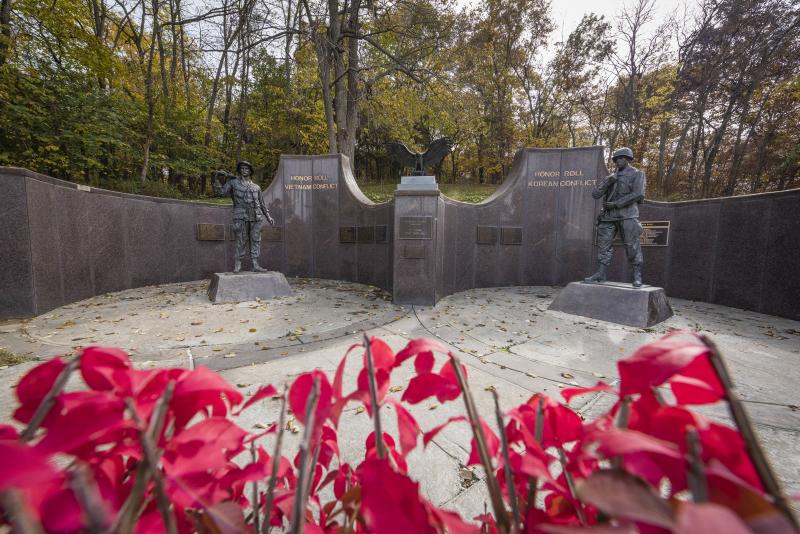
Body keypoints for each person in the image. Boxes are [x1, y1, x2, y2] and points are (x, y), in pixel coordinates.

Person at [584, 147, 645, 287]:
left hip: (627, 215)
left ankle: (637, 275)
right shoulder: (610, 177)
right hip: (608, 217)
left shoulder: (637, 174)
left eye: (620, 159)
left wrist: (616, 204)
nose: (617, 161)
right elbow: (595, 194)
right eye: (616, 159)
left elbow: (638, 194)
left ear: (627, 159)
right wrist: (607, 182)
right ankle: (601, 273)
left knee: (632, 246)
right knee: (604, 246)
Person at [213, 161, 275, 273]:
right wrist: (217, 179)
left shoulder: (256, 187)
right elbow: (221, 193)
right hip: (240, 216)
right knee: (240, 241)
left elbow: (262, 203)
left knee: (256, 240)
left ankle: (255, 264)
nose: (244, 170)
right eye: (242, 168)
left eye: (246, 168)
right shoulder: (233, 183)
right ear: (239, 170)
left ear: (250, 171)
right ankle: (238, 264)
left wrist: (268, 216)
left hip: (256, 217)